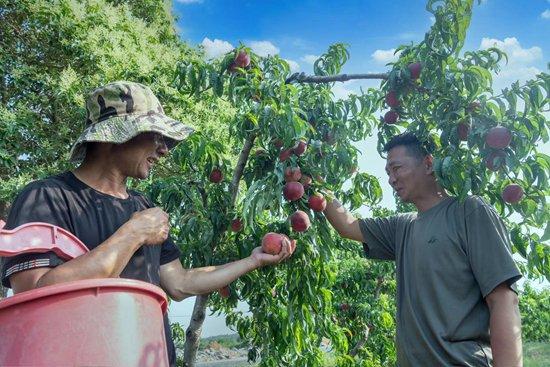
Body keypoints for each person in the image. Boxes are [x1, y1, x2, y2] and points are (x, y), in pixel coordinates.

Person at [0, 81, 294, 366]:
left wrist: (252, 261)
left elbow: (180, 283)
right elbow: (34, 298)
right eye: (156, 136)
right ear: (115, 135)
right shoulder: (47, 198)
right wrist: (134, 233)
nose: (164, 149)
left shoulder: (144, 207)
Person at [324, 132, 522, 366]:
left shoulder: (468, 211)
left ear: (428, 164)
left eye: (396, 168)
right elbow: (348, 226)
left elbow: (503, 299)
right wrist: (314, 184)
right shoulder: (403, 226)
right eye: (388, 172)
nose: (391, 179)